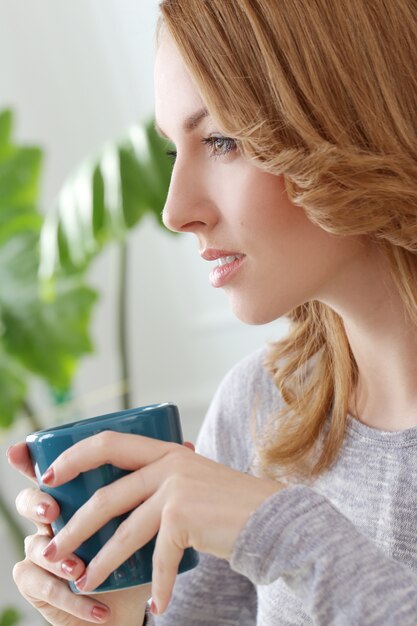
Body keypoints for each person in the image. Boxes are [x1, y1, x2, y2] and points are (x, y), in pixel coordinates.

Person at [7, 0, 417, 624]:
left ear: (344, 119)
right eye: (175, 152)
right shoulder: (261, 408)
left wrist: (284, 534)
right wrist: (117, 614)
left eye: (223, 140)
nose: (175, 211)